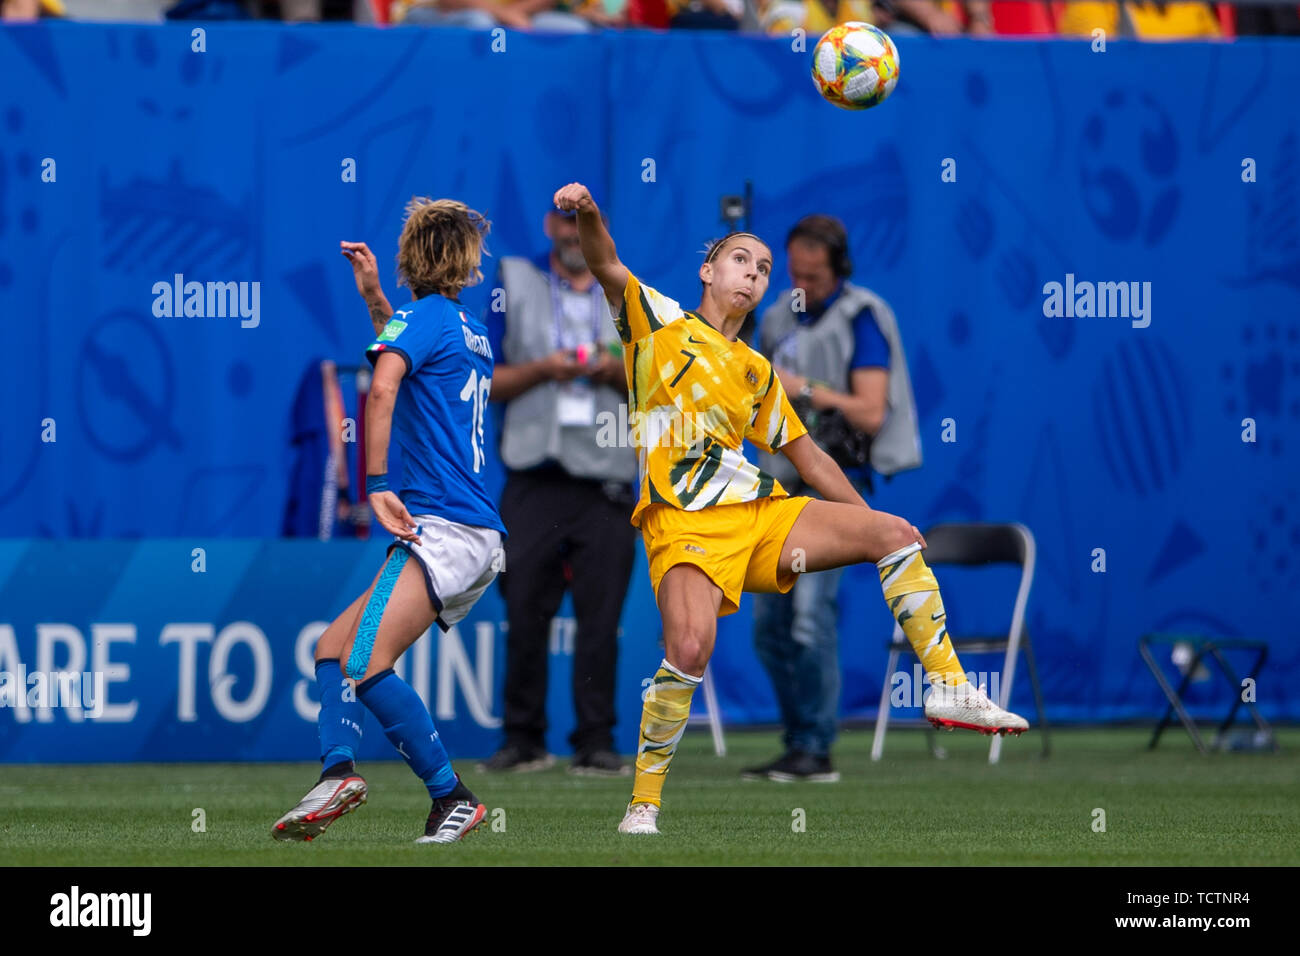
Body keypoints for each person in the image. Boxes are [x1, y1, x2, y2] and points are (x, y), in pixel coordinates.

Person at [551, 181, 1028, 836]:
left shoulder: (756, 368)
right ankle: (643, 804)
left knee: (892, 533)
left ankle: (946, 686)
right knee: (688, 650)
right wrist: (589, 213)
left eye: (763, 267)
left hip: (757, 515)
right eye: (741, 259)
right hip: (683, 524)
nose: (754, 271)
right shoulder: (656, 321)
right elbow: (605, 263)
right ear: (708, 270)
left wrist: (864, 522)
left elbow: (811, 463)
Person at [271, 198, 505, 845]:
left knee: (366, 660)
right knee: (331, 650)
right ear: (466, 262)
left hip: (446, 528)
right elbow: (399, 353)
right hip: (466, 530)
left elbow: (382, 384)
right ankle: (338, 771)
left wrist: (375, 485)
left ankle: (451, 797)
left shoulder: (423, 320)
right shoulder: (463, 325)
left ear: (412, 258)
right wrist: (375, 298)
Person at [743, 213, 920, 783]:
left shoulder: (862, 316)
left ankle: (817, 749)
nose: (803, 285)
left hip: (837, 489)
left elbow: (870, 410)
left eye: (814, 276)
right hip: (777, 490)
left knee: (808, 618)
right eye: (794, 274)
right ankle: (797, 741)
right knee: (768, 626)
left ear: (838, 268)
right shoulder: (774, 319)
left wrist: (805, 390)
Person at [478, 206, 637, 776]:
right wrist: (546, 368)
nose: (573, 235)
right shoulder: (515, 283)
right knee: (523, 611)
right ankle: (523, 738)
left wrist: (611, 369)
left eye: (584, 226)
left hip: (607, 482)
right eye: (564, 224)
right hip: (534, 476)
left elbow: (657, 377)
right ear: (548, 227)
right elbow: (487, 380)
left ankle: (595, 740)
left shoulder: (625, 293)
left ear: (599, 232)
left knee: (600, 619)